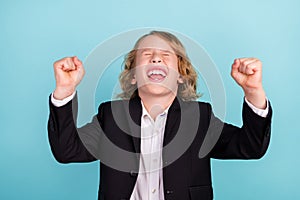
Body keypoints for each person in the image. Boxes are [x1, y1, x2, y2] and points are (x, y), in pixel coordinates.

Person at [48, 31, 272, 200]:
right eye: (147, 55)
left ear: (181, 76)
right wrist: (65, 92)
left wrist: (253, 92)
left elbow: (250, 147)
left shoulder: (200, 117)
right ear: (133, 76)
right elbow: (66, 151)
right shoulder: (111, 116)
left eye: (166, 56)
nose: (156, 59)